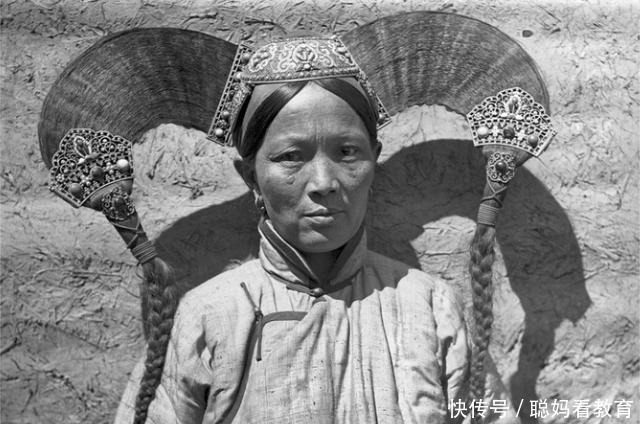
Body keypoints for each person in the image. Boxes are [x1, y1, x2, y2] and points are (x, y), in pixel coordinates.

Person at [115, 36, 475, 424]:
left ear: (374, 160)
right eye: (290, 157)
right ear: (251, 177)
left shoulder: (428, 306)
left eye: (347, 152)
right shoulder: (209, 314)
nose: (323, 182)